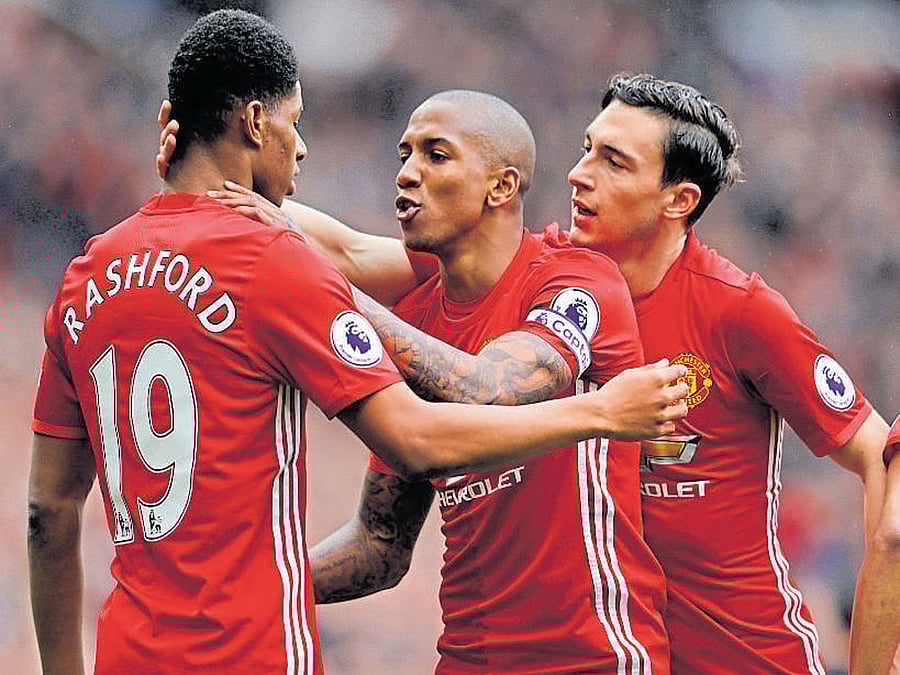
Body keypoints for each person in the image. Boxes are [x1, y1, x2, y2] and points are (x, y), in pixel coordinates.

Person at [158, 78, 899, 670]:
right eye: (585, 149)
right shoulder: (477, 293)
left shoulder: (693, 303)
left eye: (613, 161)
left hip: (711, 655)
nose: (577, 174)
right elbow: (345, 253)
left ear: (679, 201)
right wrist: (215, 183)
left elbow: (877, 455)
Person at [27, 12, 689, 674]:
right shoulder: (410, 316)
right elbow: (379, 543)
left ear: (502, 184)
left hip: (589, 657)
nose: (406, 173)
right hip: (466, 659)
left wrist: (252, 210)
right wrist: (233, 594)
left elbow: (487, 389)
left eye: (435, 155)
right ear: (257, 125)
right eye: (403, 154)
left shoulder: (573, 275)